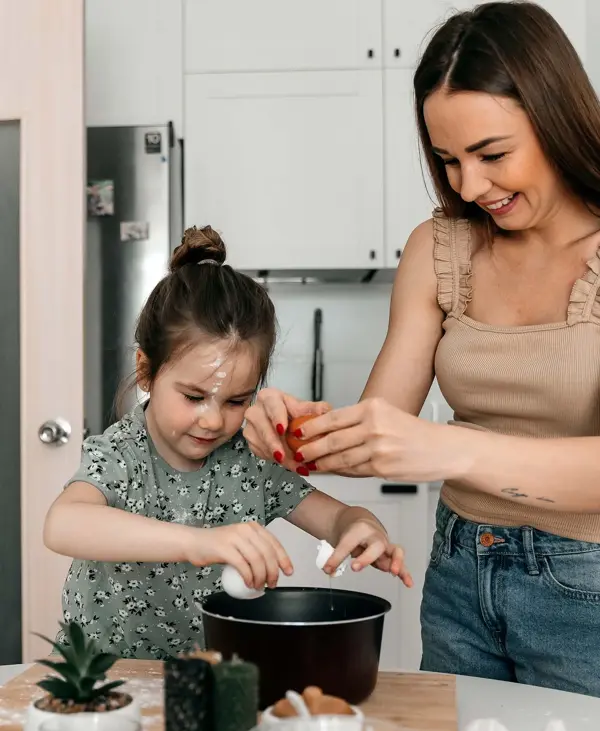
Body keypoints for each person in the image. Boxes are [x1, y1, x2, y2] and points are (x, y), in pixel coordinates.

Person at [243, 2, 600, 696]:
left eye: (492, 154)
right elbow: (373, 431)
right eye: (448, 160)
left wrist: (450, 449)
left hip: (586, 585)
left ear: (555, 117)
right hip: (461, 574)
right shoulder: (439, 249)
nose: (469, 185)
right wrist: (288, 429)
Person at [44, 227, 410, 658]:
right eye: (194, 397)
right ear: (145, 371)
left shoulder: (249, 460)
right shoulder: (122, 453)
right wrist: (198, 542)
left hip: (211, 674)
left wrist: (362, 528)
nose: (215, 419)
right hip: (107, 677)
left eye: (237, 400)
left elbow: (337, 518)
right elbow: (63, 524)